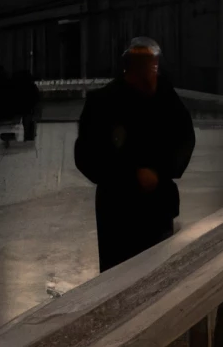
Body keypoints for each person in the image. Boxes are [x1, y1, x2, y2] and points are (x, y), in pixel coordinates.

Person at [74, 37, 196, 273]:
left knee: (157, 277)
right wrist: (130, 175)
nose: (153, 72)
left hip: (157, 207)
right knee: (119, 278)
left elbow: (184, 139)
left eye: (154, 65)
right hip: (119, 212)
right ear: (130, 67)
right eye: (147, 66)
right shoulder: (103, 102)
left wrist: (160, 171)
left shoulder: (166, 98)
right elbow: (87, 155)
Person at [13, 70, 40, 141]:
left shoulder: (19, 86)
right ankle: (29, 136)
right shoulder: (32, 86)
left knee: (25, 123)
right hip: (29, 108)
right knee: (29, 122)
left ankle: (27, 135)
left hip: (23, 108)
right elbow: (36, 98)